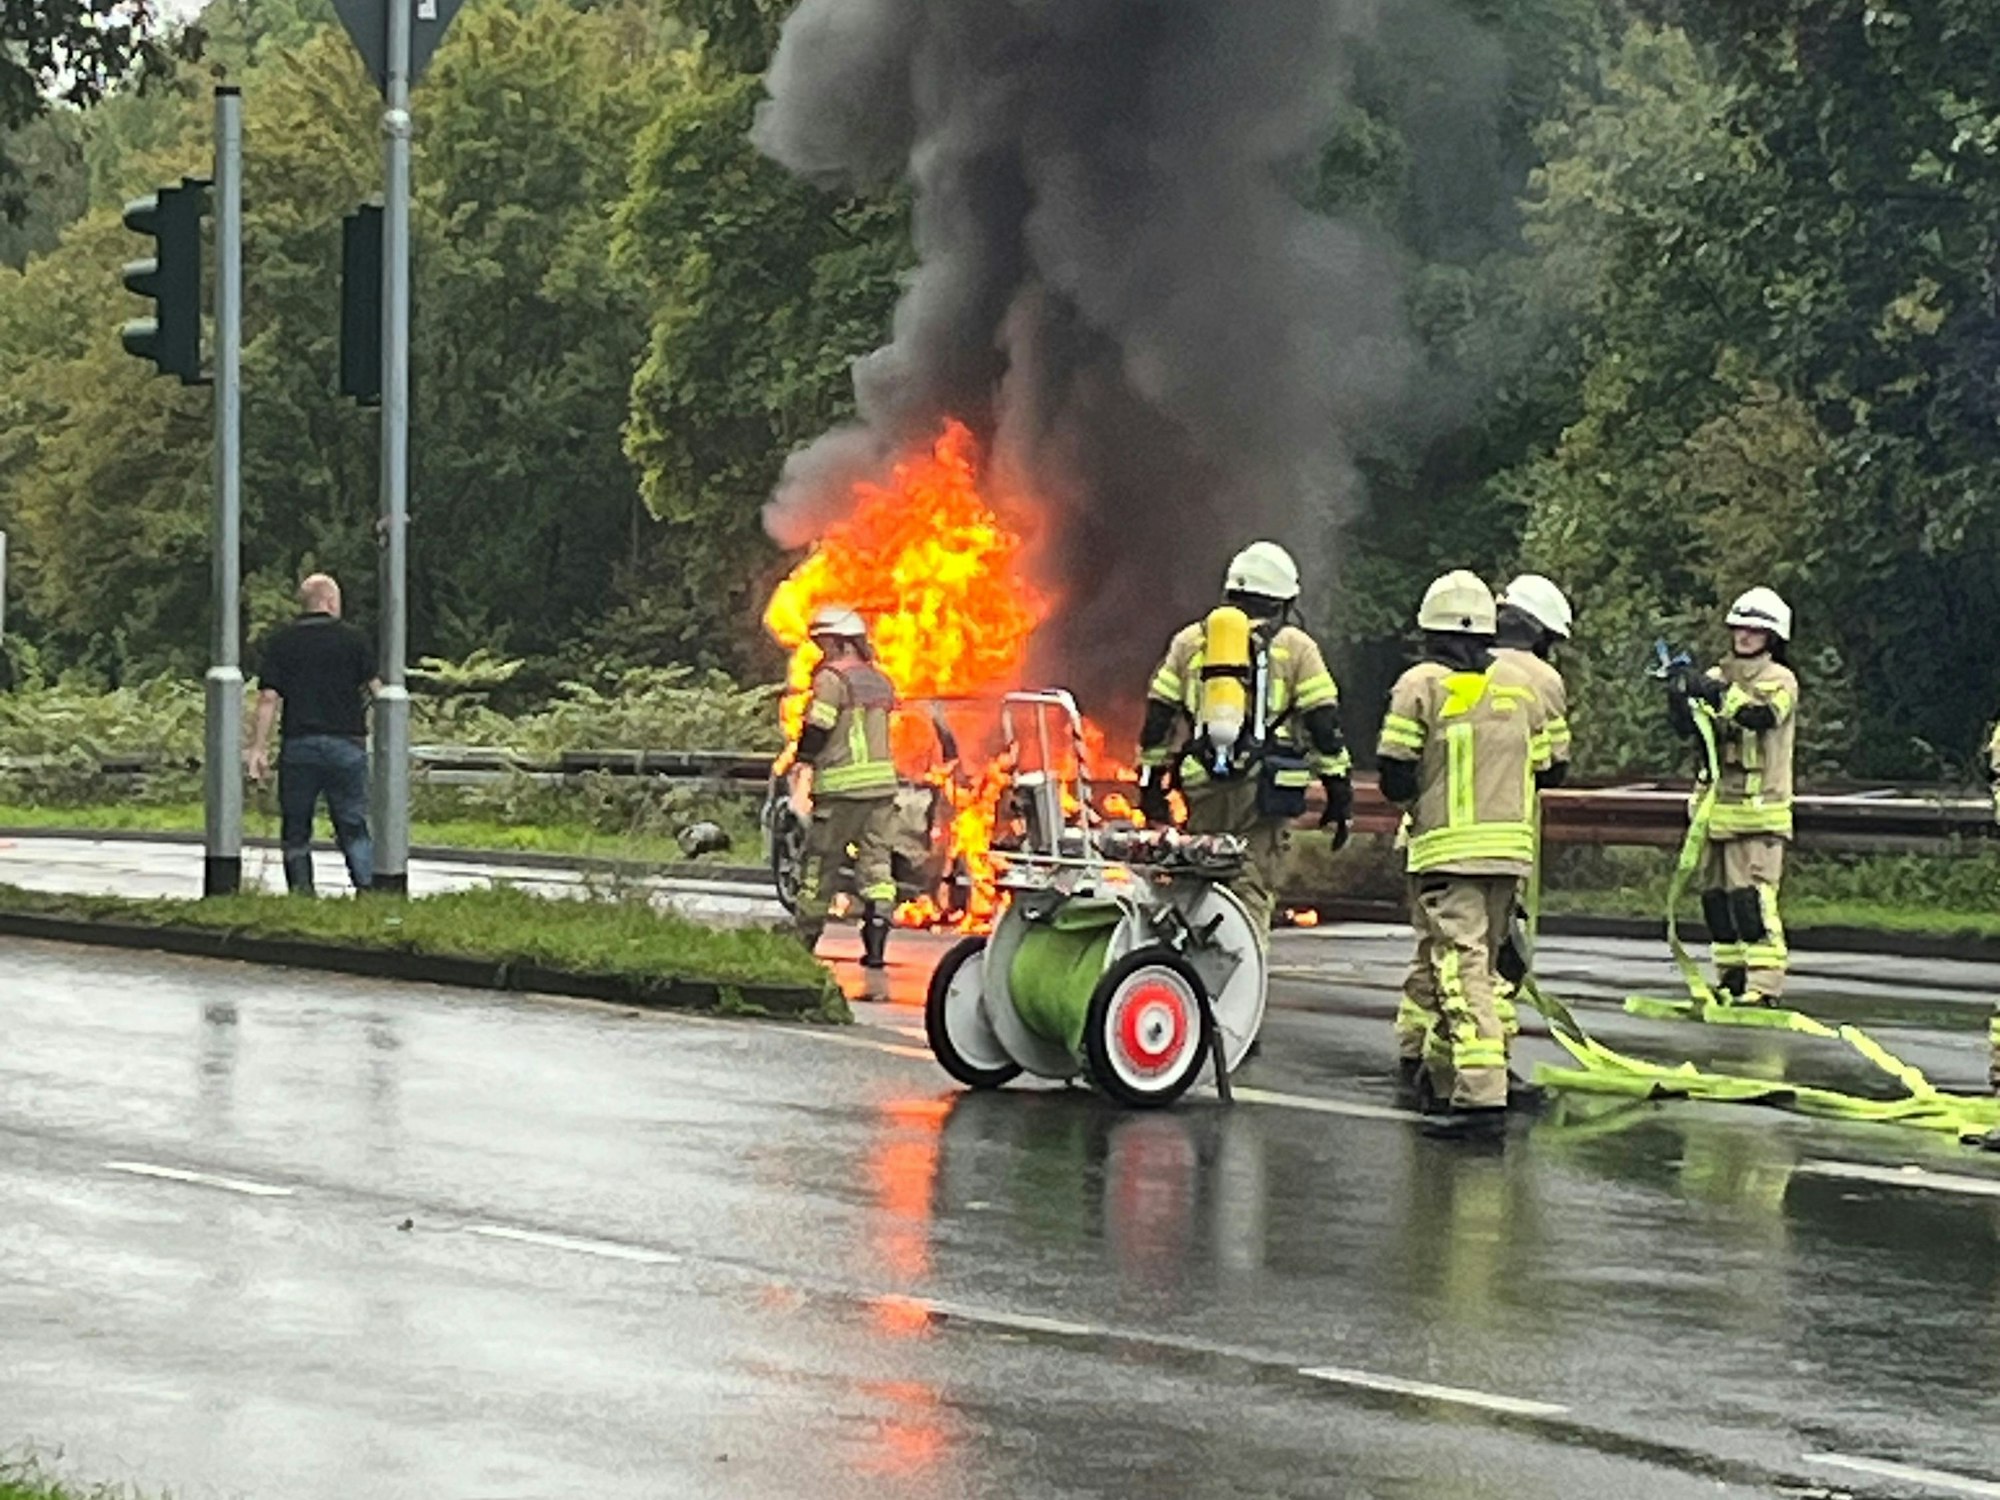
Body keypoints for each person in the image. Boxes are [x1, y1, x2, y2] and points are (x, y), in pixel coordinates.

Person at [1378, 570, 1553, 1134]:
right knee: (1482, 966)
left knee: (1460, 969)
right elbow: (1553, 767)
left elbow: (1395, 776)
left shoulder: (1420, 685)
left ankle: (1481, 1096)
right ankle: (1445, 1075)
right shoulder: (1519, 689)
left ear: (1431, 632)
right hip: (1510, 853)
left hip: (1449, 855)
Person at [1135, 541, 1353, 937]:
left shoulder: (1189, 641)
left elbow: (1158, 718)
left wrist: (1150, 784)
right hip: (1263, 791)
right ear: (1283, 600)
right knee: (1249, 884)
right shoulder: (1296, 647)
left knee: (1198, 873)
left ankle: (1186, 973)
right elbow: (1324, 723)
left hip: (1200, 782)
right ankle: (1237, 980)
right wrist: (1338, 791)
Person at [1666, 587, 1799, 1007]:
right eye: (1739, 627)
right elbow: (1691, 730)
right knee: (1717, 901)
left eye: (1754, 629)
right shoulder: (1719, 675)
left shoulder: (1780, 680)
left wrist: (1713, 692)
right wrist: (1679, 695)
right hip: (1714, 811)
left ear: (1772, 635)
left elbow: (1759, 717)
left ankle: (1764, 986)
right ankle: (1731, 980)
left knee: (1751, 899)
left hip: (1758, 813)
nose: (1744, 635)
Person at [246, 573, 378, 894]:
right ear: (331, 601)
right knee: (352, 823)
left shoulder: (283, 642)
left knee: (296, 826)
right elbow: (377, 689)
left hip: (299, 745)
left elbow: (268, 699)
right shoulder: (354, 639)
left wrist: (258, 748)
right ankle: (367, 888)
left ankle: (302, 894)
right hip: (346, 744)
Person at [789, 606, 899, 968]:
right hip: (882, 789)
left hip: (841, 791)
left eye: (824, 643)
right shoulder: (880, 680)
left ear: (839, 641)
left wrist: (803, 757)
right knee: (878, 869)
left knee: (820, 865)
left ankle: (803, 942)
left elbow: (820, 725)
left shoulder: (832, 678)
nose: (822, 651)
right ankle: (876, 949)